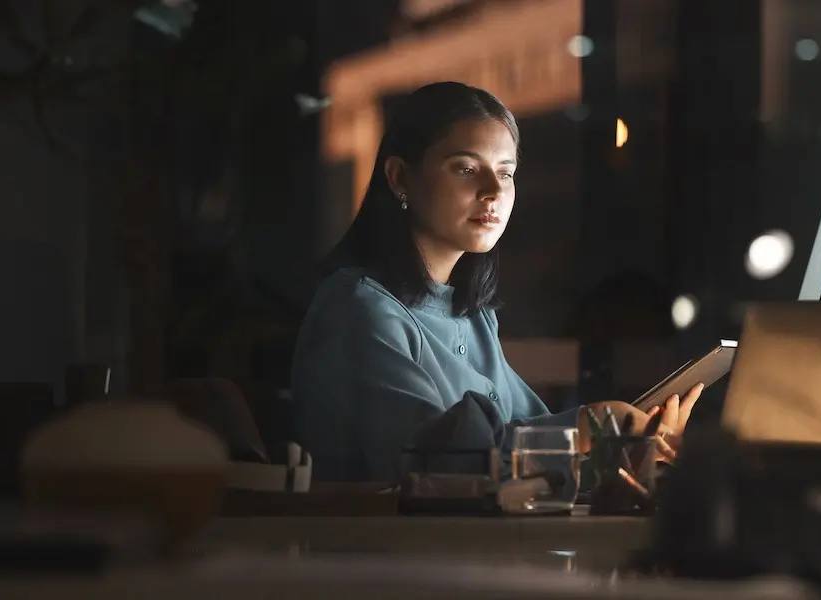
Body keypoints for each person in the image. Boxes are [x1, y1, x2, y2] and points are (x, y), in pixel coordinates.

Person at [292, 82, 702, 482]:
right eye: (467, 169)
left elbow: (528, 437)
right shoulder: (359, 308)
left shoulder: (474, 316)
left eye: (506, 174)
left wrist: (632, 440)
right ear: (400, 177)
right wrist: (588, 428)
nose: (492, 192)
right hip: (380, 549)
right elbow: (432, 468)